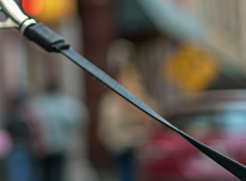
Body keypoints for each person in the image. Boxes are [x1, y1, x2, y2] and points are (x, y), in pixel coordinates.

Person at [98, 40, 155, 181]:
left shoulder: (130, 88)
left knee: (129, 171)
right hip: (125, 141)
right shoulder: (121, 91)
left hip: (130, 141)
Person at [27, 80, 88, 181]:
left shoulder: (39, 102)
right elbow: (79, 118)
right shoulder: (66, 103)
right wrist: (70, 133)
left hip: (44, 144)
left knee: (45, 171)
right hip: (59, 144)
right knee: (57, 171)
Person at [4, 92, 35, 181]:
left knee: (15, 170)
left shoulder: (12, 115)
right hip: (23, 145)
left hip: (16, 145)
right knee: (24, 169)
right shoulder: (26, 116)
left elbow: (7, 129)